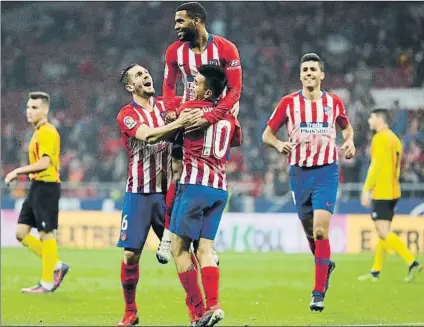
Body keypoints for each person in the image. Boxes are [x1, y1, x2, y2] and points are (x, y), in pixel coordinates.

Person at [262, 53, 356, 312]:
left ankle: (318, 293)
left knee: (320, 230)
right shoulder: (288, 103)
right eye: (305, 70)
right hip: (299, 173)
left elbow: (346, 127)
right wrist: (279, 143)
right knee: (308, 230)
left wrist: (349, 141)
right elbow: (267, 134)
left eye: (313, 69)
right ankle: (325, 264)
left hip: (326, 171)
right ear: (300, 75)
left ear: (322, 74)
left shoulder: (334, 102)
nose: (309, 73)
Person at [115, 64, 203, 327]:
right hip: (139, 194)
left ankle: (197, 311)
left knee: (182, 251)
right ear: (130, 86)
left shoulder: (168, 105)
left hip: (169, 193)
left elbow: (199, 105)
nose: (146, 76)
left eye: (146, 72)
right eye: (139, 75)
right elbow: (149, 136)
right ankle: (130, 312)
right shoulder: (127, 114)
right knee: (131, 255)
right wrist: (179, 123)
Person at [157, 1, 242, 264]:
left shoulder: (226, 48)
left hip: (217, 120)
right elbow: (169, 87)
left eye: (180, 21)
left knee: (213, 172)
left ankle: (208, 243)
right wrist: (172, 113)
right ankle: (168, 236)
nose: (176, 27)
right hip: (189, 116)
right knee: (176, 170)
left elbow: (235, 91)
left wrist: (211, 117)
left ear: (197, 21)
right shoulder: (174, 52)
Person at [171, 64, 241, 327]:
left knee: (179, 249)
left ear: (208, 90)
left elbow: (173, 125)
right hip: (220, 188)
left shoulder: (190, 109)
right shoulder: (230, 118)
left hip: (194, 186)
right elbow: (234, 140)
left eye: (197, 83)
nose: (192, 87)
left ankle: (200, 312)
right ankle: (215, 305)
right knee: (205, 248)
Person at [4, 92, 69, 293]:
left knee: (46, 233)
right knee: (21, 233)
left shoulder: (48, 132)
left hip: (47, 187)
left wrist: (17, 171)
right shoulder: (38, 132)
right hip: (36, 187)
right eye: (28, 107)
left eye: (34, 108)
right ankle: (57, 264)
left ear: (45, 110)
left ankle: (47, 283)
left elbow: (44, 163)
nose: (29, 112)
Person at [358, 109, 423, 282]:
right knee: (383, 232)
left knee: (383, 231)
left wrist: (366, 189)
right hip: (394, 190)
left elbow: (376, 165)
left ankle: (412, 263)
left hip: (382, 191)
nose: (369, 120)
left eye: (371, 117)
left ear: (379, 119)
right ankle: (375, 271)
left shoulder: (380, 138)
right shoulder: (395, 139)